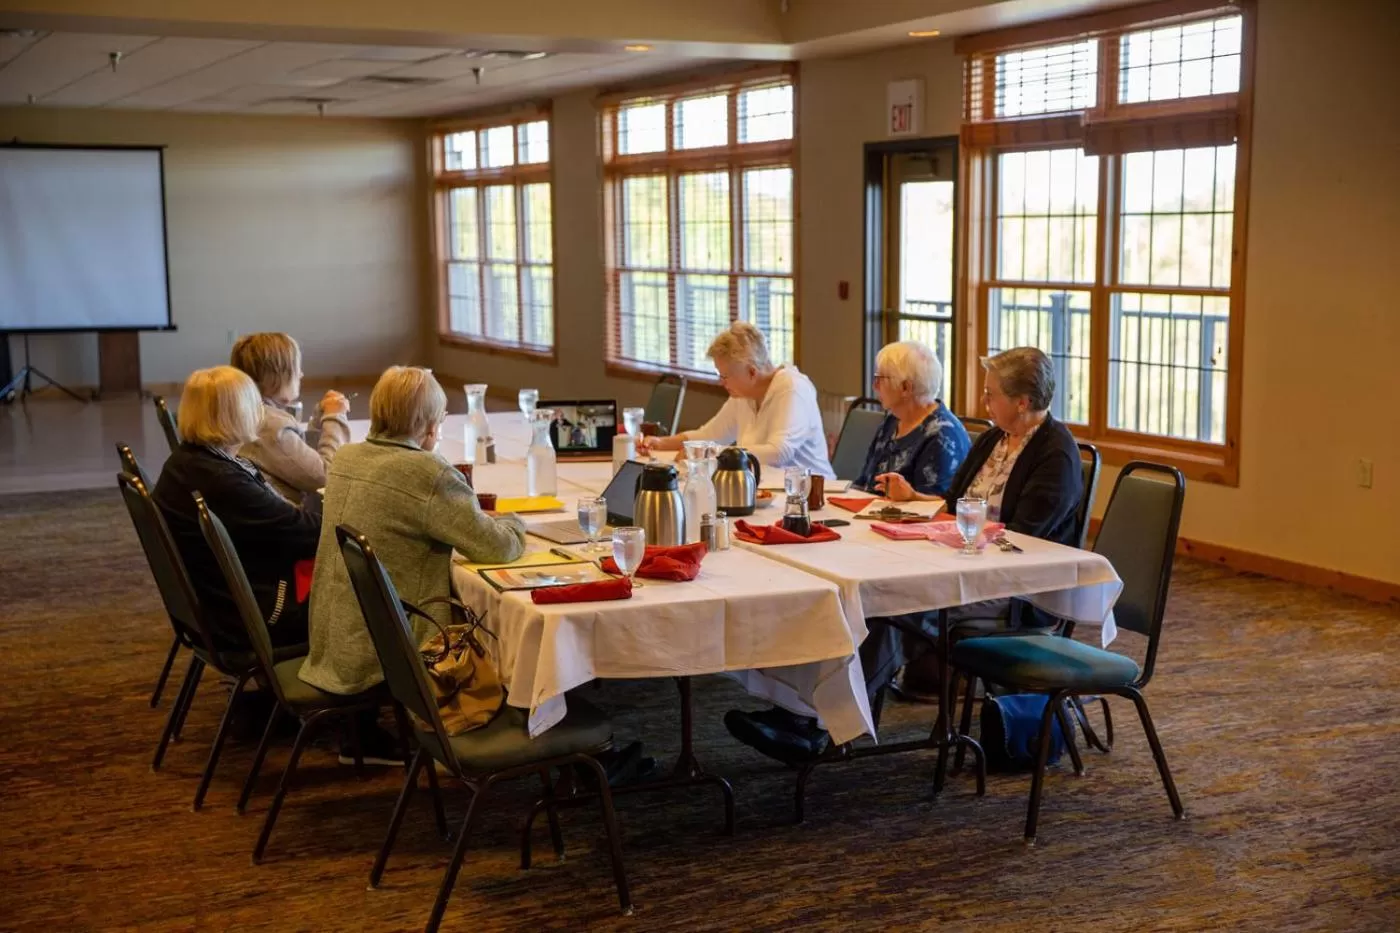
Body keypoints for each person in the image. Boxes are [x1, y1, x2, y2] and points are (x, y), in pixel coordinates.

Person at [724, 347, 1084, 764]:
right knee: (860, 601)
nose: (984, 401)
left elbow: (1024, 537)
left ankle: (818, 727)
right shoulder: (994, 439)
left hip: (1013, 588)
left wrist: (953, 534)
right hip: (964, 564)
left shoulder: (1054, 453)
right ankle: (800, 714)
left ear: (1022, 402)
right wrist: (916, 500)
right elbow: (955, 503)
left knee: (892, 610)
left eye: (992, 395)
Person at [298, 366, 527, 764]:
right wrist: (515, 522)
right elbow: (498, 546)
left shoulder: (347, 458)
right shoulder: (427, 472)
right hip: (397, 651)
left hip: (338, 634)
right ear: (429, 424)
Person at [152, 366, 319, 653]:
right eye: (255, 404)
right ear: (239, 414)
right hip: (258, 616)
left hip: (220, 606)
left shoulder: (187, 462)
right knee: (365, 586)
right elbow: (302, 534)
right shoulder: (220, 481)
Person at [643, 322, 835, 479]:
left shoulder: (792, 387)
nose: (722, 383)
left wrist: (713, 452)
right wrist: (661, 443)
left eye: (725, 376)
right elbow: (710, 435)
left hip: (813, 495)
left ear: (751, 372)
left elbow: (779, 452)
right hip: (769, 489)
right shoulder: (743, 395)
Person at [230, 332, 349, 504]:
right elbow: (327, 478)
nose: (301, 374)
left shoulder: (248, 412)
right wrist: (335, 418)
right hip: (292, 516)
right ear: (276, 376)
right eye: (295, 368)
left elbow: (302, 461)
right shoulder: (270, 425)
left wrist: (319, 422)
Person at [852, 340, 970, 498]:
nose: (875, 386)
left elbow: (935, 507)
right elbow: (864, 483)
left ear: (905, 388)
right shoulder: (892, 421)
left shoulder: (942, 436)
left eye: (880, 379)